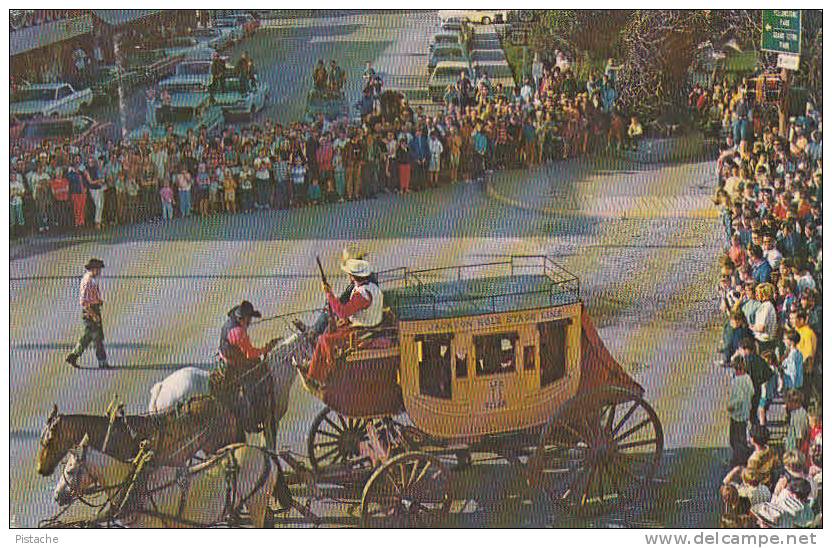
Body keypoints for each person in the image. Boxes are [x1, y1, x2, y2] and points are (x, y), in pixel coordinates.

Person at [305, 259, 383, 388]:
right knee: (328, 333)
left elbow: (342, 312)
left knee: (325, 339)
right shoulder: (370, 287)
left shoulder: (362, 294)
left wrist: (329, 294)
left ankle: (327, 373)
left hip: (363, 330)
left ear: (353, 277)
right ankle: (315, 372)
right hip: (363, 325)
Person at [216, 301, 279, 426]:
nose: (250, 322)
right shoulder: (239, 333)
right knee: (258, 379)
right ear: (244, 319)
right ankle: (252, 415)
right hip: (234, 363)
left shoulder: (231, 321)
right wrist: (266, 349)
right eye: (249, 319)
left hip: (224, 355)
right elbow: (250, 354)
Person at [65, 258, 110, 369]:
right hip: (90, 312)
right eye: (98, 269)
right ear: (93, 269)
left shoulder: (91, 279)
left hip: (94, 309)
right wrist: (94, 315)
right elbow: (84, 302)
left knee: (88, 336)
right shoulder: (88, 281)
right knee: (97, 338)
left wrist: (98, 300)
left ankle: (74, 355)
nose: (99, 272)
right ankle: (102, 362)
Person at [727, 356, 753, 467]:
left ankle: (739, 461)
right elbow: (752, 392)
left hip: (737, 415)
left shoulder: (737, 381)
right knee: (742, 437)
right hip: (746, 412)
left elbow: (739, 399)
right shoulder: (747, 378)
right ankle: (742, 458)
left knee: (735, 440)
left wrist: (730, 406)